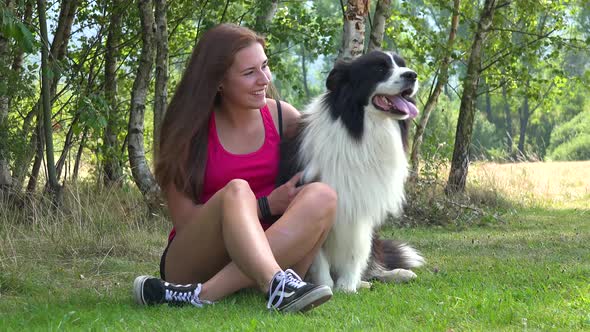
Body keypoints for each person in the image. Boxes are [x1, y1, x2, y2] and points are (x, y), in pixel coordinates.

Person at [132, 23, 337, 313]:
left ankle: (205, 294)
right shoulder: (187, 130)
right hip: (195, 260)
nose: (264, 79)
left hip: (278, 251)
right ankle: (272, 283)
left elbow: (337, 146)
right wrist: (265, 206)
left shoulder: (283, 117)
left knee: (324, 195)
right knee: (238, 191)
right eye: (249, 73)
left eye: (265, 66)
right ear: (218, 81)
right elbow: (185, 221)